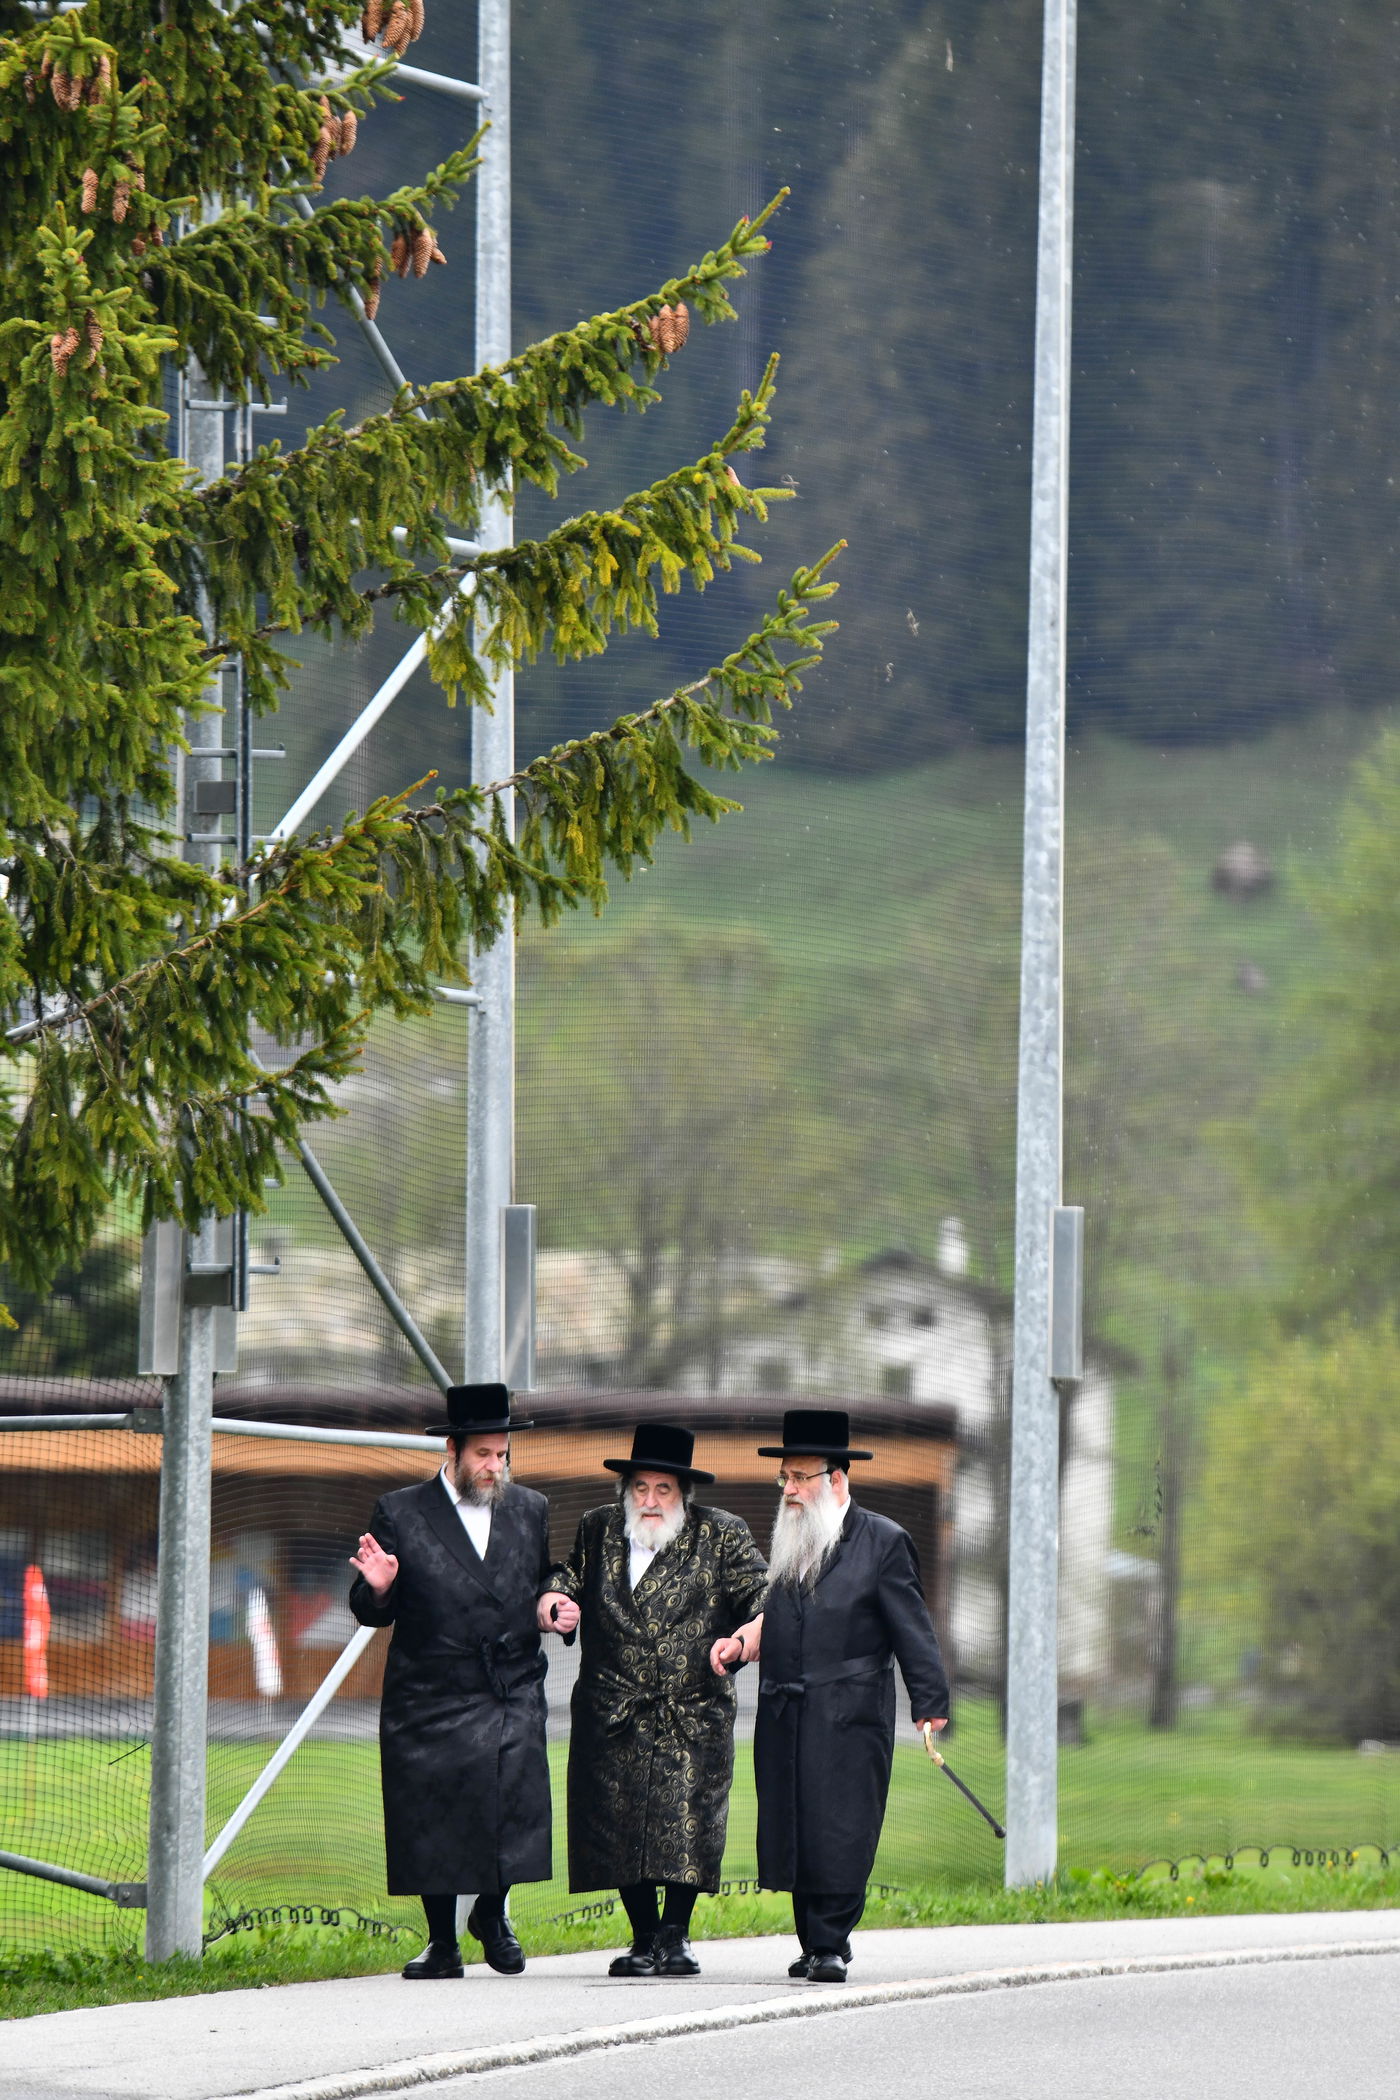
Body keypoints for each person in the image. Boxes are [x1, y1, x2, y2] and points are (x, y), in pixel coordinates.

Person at [710, 1407, 949, 1983]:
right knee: (795, 1821)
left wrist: (929, 1702)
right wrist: (744, 1643)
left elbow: (912, 1630)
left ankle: (831, 1941)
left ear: (835, 1480)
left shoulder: (883, 1542)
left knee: (840, 1824)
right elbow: (785, 1618)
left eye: (799, 1478)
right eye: (785, 1478)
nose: (788, 1489)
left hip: (850, 1713)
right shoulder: (795, 1537)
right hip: (788, 1710)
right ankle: (811, 1938)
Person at [348, 1382, 579, 1979]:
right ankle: (441, 1943)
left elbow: (543, 1575)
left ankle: (494, 1915)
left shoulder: (529, 1508)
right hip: (429, 1688)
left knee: (512, 1800)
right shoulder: (399, 1511)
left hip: (510, 1681)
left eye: (501, 1454)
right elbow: (372, 1609)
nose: (494, 1466)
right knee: (433, 1807)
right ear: (451, 1449)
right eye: (483, 1454)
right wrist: (379, 1586)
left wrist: (555, 1600)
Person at [537, 1421, 768, 1978]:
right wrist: (554, 1600)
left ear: (683, 1494)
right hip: (612, 1708)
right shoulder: (598, 1530)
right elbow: (567, 1577)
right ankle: (643, 1937)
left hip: (692, 1709)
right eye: (641, 1488)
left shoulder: (722, 1534)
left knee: (687, 1821)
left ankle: (677, 1937)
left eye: (663, 1489)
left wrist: (746, 1636)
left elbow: (763, 1593)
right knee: (614, 1822)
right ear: (626, 1490)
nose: (650, 1500)